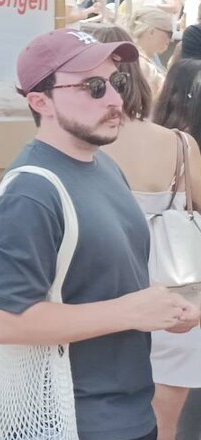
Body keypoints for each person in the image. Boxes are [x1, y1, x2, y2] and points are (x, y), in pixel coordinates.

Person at [0, 28, 200, 440]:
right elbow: (3, 321)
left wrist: (162, 305)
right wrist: (133, 312)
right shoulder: (32, 191)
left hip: (125, 408)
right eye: (93, 87)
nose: (115, 100)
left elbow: (103, 276)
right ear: (40, 101)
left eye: (117, 82)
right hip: (67, 420)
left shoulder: (103, 165)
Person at [119, 53, 201, 437]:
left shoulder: (86, 149)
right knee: (165, 423)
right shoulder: (182, 147)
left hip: (111, 294)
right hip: (175, 290)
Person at [131, 8, 174, 97]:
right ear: (151, 31)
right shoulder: (141, 65)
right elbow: (148, 103)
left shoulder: (151, 58)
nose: (171, 40)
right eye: (169, 34)